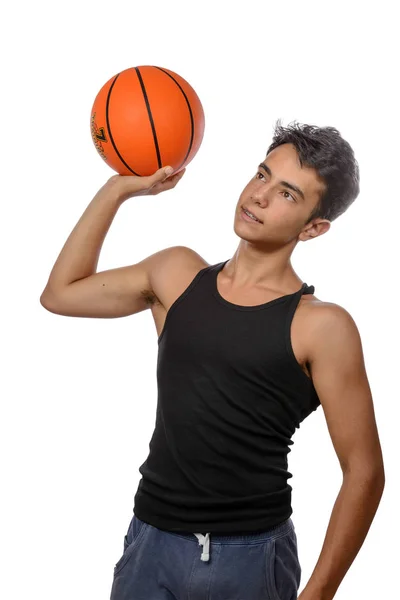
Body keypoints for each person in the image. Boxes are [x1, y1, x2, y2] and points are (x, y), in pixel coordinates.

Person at [40, 120, 385, 600]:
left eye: (287, 194)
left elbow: (364, 472)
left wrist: (318, 594)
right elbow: (59, 295)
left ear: (314, 228)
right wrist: (118, 189)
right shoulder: (176, 275)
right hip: (151, 543)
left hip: (251, 556)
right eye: (262, 174)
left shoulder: (322, 326)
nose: (259, 196)